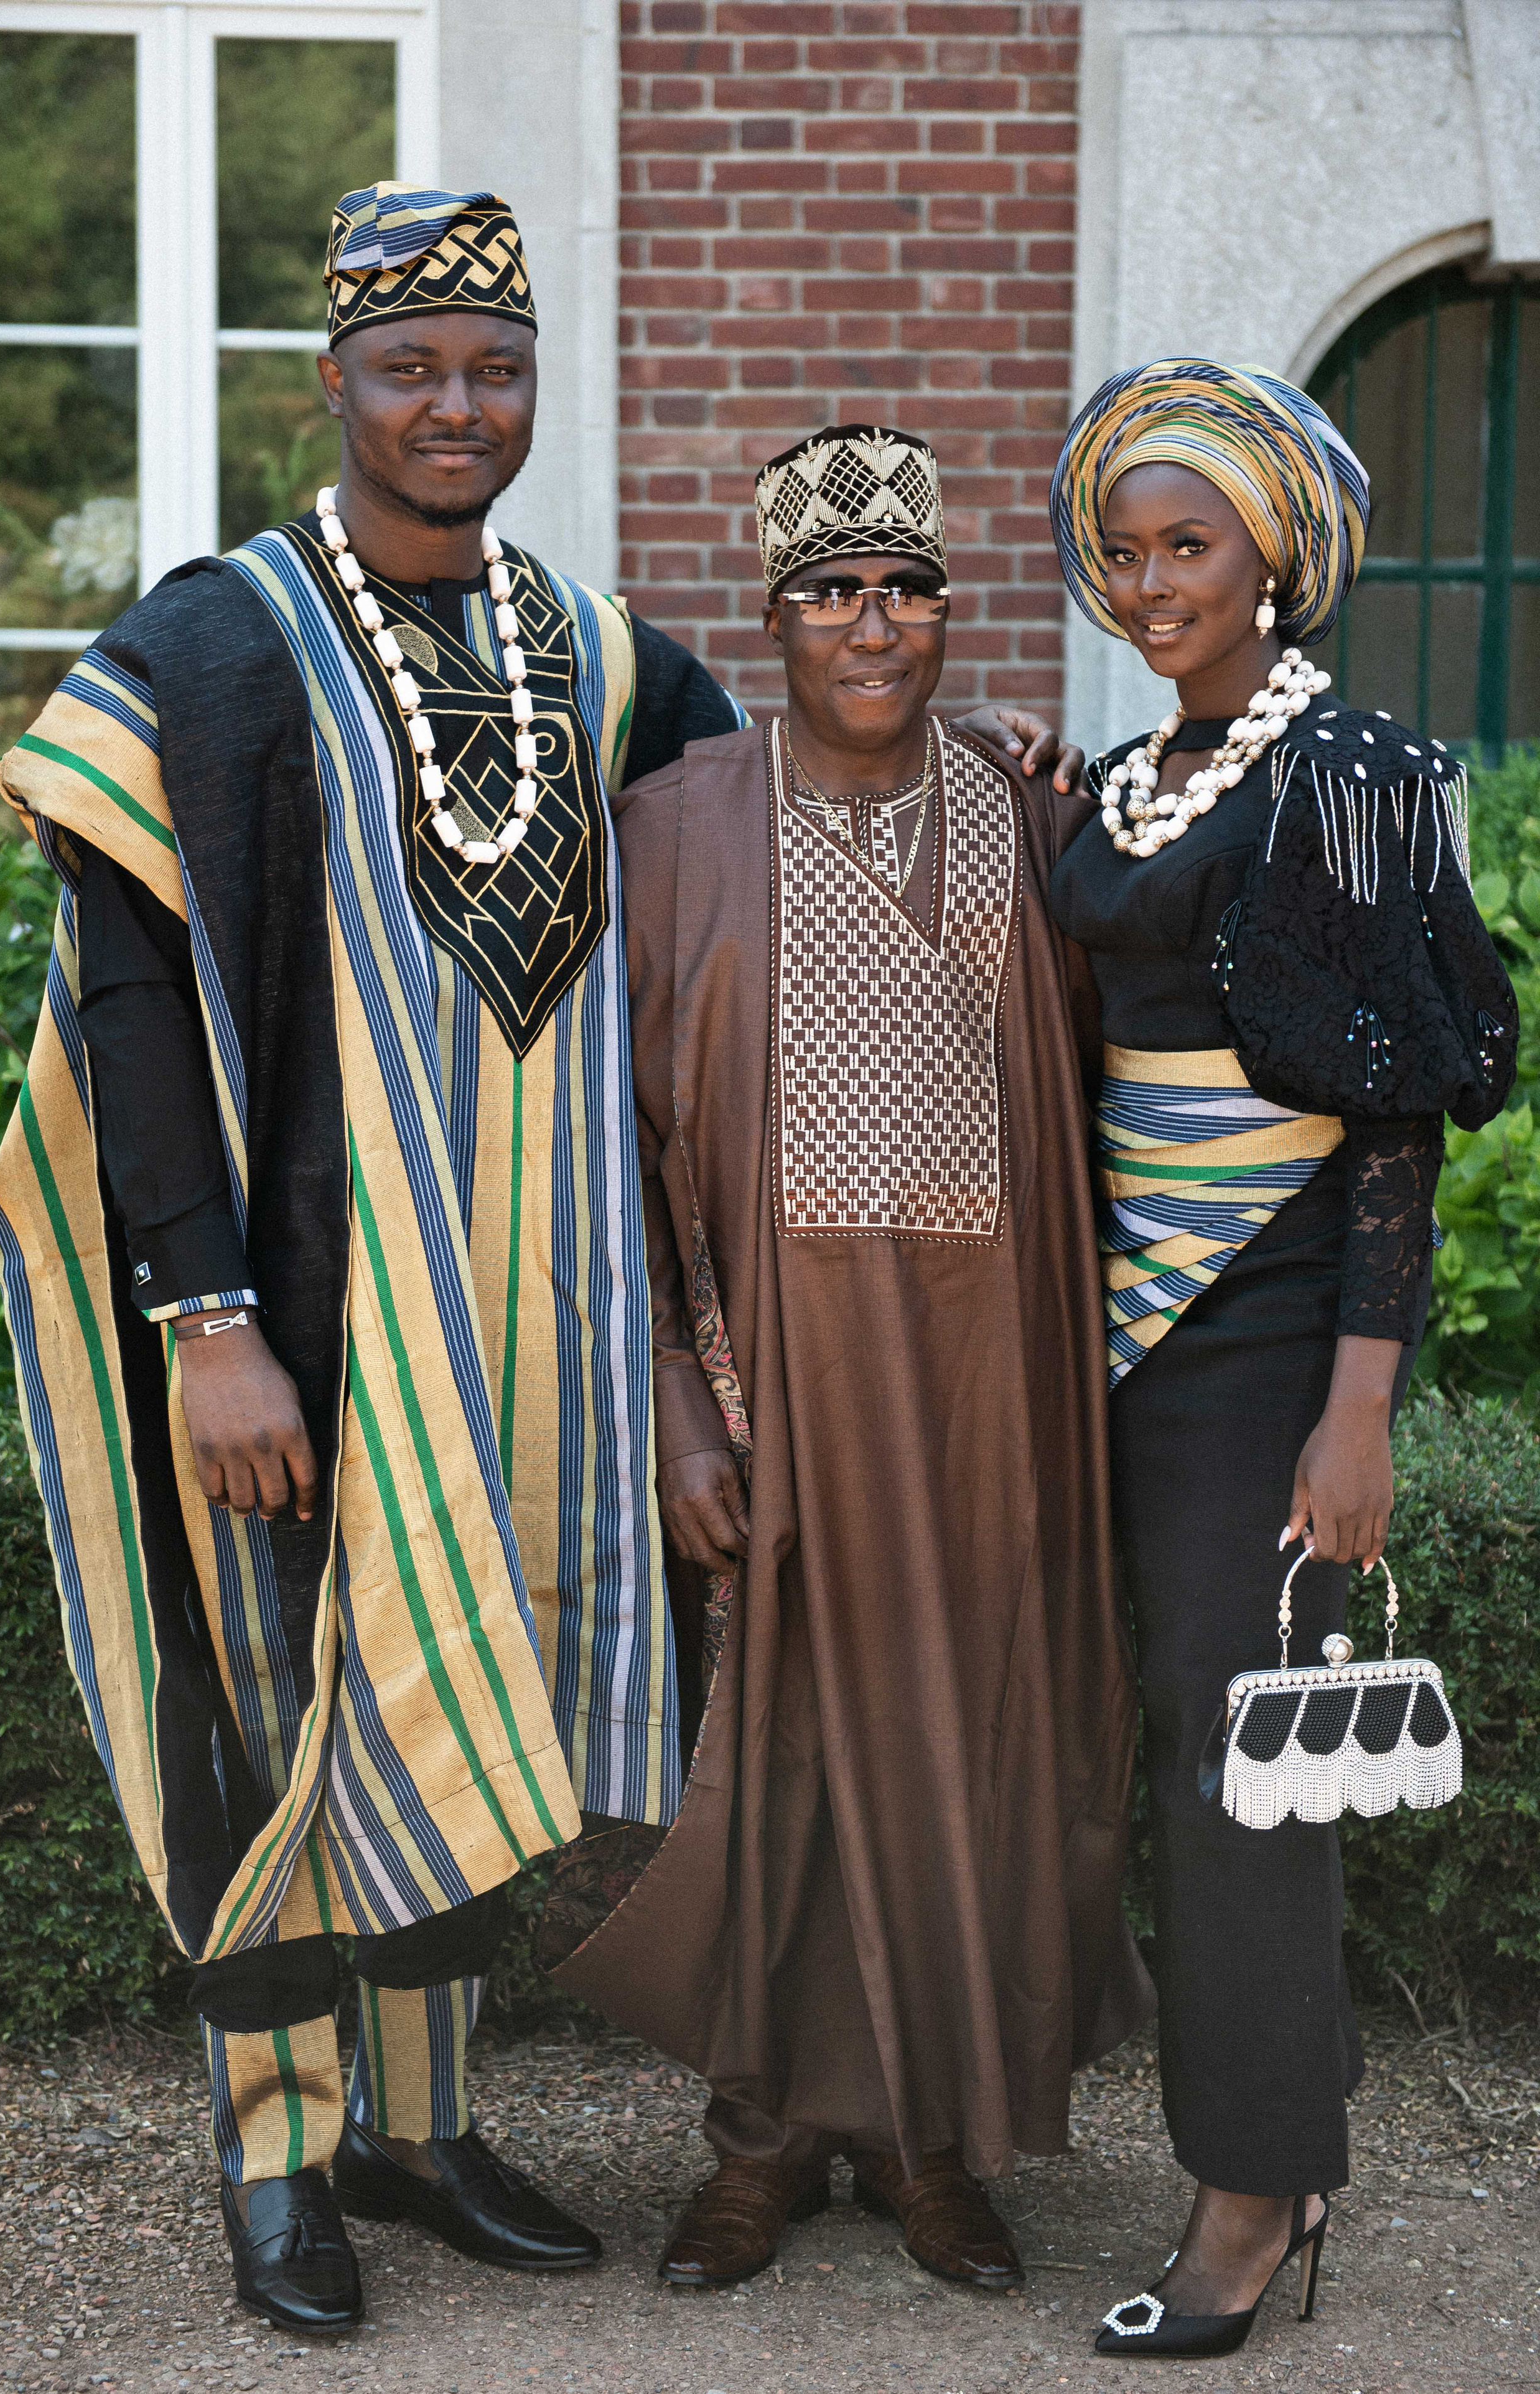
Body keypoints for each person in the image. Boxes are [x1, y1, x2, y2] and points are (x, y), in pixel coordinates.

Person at [0, 180, 757, 2336]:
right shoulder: (212, 646)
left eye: (493, 366)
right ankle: (274, 2150)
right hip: (296, 1312)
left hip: (538, 1326)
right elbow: (129, 996)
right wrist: (203, 1319)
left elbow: (772, 857)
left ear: (536, 388)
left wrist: (998, 788)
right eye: (409, 367)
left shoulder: (607, 662)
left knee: (466, 1679)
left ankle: (416, 2130)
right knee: (274, 1705)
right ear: (331, 382)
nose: (456, 403)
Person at [548, 423, 1153, 2293]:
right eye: (832, 593)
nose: (873, 624)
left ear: (949, 614)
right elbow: (608, 1161)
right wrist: (670, 1402)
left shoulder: (1039, 819)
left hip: (994, 1388)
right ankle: (759, 2141)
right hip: (770, 1381)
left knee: (972, 1738)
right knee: (779, 1753)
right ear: (777, 616)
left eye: (906, 590)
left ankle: (928, 2139)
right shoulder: (673, 830)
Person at [1042, 359, 1517, 2360]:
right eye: (1128, 550)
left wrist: (1358, 1404)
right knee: (1168, 1740)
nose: (1155, 584)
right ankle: (1272, 2146)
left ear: (1279, 553)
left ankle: (1251, 2203)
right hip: (1120, 1334)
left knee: (1234, 1766)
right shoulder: (1149, 769)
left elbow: (1394, 1122)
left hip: (1266, 1330)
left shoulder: (1351, 774)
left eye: (1194, 546)